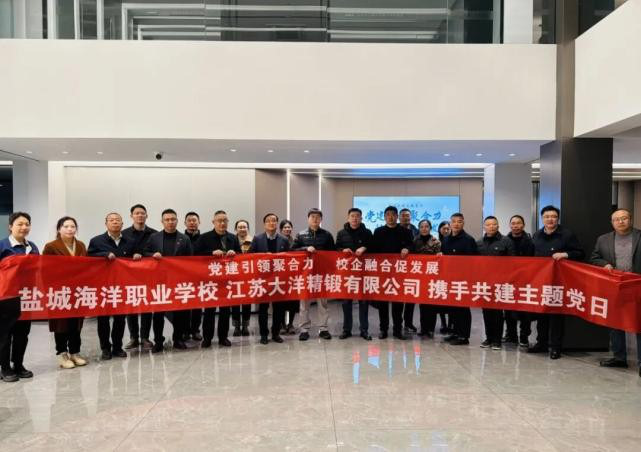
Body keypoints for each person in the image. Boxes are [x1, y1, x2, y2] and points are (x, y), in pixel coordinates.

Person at [528, 205, 584, 360]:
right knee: (541, 313)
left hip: (559, 282)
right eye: (547, 217)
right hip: (541, 281)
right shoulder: (537, 235)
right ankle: (541, 343)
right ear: (542, 218)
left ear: (558, 218)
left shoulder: (567, 234)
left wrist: (565, 254)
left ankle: (555, 347)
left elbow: (580, 253)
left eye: (553, 216)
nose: (550, 219)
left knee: (556, 316)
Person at [590, 208, 641, 377]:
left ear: (630, 220)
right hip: (615, 286)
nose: (621, 222)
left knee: (639, 323)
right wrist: (604, 264)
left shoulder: (639, 236)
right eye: (617, 219)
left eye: (624, 218)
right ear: (612, 222)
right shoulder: (603, 239)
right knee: (615, 322)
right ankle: (619, 357)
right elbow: (594, 258)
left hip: (637, 286)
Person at [88, 212, 140, 360]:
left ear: (122, 224)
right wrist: (104, 254)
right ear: (106, 223)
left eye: (118, 220)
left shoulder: (130, 241)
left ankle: (117, 347)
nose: (115, 222)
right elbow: (89, 257)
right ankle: (105, 348)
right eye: (111, 220)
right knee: (103, 319)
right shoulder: (96, 241)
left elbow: (137, 255)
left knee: (120, 319)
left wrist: (137, 255)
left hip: (122, 286)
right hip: (103, 286)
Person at [144, 209, 194, 353]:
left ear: (177, 221)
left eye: (173, 219)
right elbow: (144, 253)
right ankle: (158, 341)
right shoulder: (154, 237)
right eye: (167, 220)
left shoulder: (184, 238)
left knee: (179, 312)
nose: (170, 222)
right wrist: (152, 254)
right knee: (158, 313)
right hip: (159, 281)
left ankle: (178, 339)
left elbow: (191, 259)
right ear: (162, 221)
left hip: (178, 280)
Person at [43, 216, 88, 369]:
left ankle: (75, 352)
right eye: (66, 226)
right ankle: (62, 353)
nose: (69, 229)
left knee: (76, 323)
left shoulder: (81, 245)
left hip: (78, 291)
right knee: (61, 323)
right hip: (59, 291)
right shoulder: (51, 246)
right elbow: (46, 269)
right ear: (59, 229)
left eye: (72, 226)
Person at [0, 212, 39, 382]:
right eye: (20, 224)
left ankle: (18, 364)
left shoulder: (32, 247)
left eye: (27, 224)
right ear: (10, 226)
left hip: (26, 296)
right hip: (6, 298)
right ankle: (5, 368)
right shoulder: (2, 246)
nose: (24, 227)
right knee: (4, 334)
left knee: (22, 333)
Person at [194, 210, 241, 347]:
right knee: (209, 311)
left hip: (227, 280)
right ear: (213, 222)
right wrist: (211, 253)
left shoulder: (233, 238)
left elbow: (240, 256)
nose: (222, 223)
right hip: (210, 280)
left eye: (225, 221)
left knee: (225, 311)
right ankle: (207, 338)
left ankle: (223, 337)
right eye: (219, 221)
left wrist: (235, 253)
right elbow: (195, 255)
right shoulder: (204, 237)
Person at [371, 206, 413, 340]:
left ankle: (397, 330)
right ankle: (383, 329)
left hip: (399, 272)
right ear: (384, 217)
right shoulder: (378, 231)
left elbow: (411, 245)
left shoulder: (405, 231)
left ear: (397, 216)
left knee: (398, 303)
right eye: (388, 214)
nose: (390, 217)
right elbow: (373, 250)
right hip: (383, 272)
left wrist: (407, 248)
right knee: (382, 303)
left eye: (393, 214)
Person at [293, 208, 335, 341]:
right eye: (312, 217)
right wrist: (305, 249)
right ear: (308, 219)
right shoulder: (300, 235)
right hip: (305, 274)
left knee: (323, 304)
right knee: (304, 304)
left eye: (318, 217)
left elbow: (333, 254)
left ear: (321, 219)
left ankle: (323, 328)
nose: (315, 219)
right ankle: (304, 329)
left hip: (322, 274)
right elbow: (293, 250)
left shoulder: (327, 235)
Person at [249, 213, 290, 344]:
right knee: (263, 309)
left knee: (279, 309)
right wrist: (262, 256)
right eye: (268, 221)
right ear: (264, 224)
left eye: (274, 221)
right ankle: (264, 334)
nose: (271, 223)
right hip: (263, 279)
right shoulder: (257, 238)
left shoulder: (284, 239)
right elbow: (250, 256)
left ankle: (276, 333)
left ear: (277, 223)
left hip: (279, 279)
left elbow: (290, 258)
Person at [122, 204, 157, 351]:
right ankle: (133, 338)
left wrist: (145, 255)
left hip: (147, 276)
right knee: (130, 307)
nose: (140, 215)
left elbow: (156, 252)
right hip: (128, 276)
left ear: (147, 215)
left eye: (142, 213)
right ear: (131, 216)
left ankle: (145, 337)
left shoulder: (154, 234)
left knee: (146, 307)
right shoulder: (123, 234)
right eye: (137, 213)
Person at [477, 216, 515, 350]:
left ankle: (497, 340)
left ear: (498, 226)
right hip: (484, 283)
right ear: (484, 227)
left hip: (500, 282)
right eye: (488, 225)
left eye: (494, 224)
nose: (491, 227)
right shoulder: (479, 242)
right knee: (486, 311)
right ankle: (488, 338)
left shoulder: (506, 241)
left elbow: (513, 262)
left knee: (498, 312)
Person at [335, 208, 373, 341]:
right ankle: (347, 330)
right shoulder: (341, 233)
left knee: (364, 302)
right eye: (352, 216)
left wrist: (365, 248)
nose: (355, 218)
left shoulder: (367, 233)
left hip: (363, 273)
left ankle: (364, 330)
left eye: (357, 216)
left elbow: (373, 247)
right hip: (347, 273)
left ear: (361, 218)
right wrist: (342, 250)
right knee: (346, 303)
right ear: (348, 218)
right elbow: (336, 248)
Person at [441, 212, 478, 346]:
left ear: (463, 223)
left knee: (463, 308)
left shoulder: (468, 240)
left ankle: (464, 336)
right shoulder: (446, 240)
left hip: (463, 280)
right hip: (449, 279)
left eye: (459, 221)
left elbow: (473, 262)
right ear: (450, 223)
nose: (456, 224)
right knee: (453, 308)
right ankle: (455, 332)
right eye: (454, 221)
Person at [505, 214, 535, 347]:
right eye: (513, 223)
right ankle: (511, 335)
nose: (515, 226)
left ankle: (524, 336)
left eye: (518, 223)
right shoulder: (505, 240)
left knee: (524, 310)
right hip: (509, 280)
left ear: (523, 225)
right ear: (509, 225)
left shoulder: (530, 242)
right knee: (508, 309)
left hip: (526, 280)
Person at [413, 219, 441, 338]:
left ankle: (430, 329)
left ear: (430, 228)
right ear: (419, 228)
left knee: (431, 304)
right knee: (422, 304)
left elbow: (440, 258)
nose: (424, 229)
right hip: (420, 276)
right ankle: (423, 328)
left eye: (426, 226)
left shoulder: (436, 242)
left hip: (432, 276)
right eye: (422, 227)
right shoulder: (415, 241)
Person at [399, 208, 419, 333]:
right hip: (398, 268)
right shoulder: (396, 230)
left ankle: (408, 322)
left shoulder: (416, 230)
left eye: (408, 215)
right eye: (403, 215)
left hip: (412, 268)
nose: (406, 218)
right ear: (399, 217)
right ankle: (398, 323)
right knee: (399, 298)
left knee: (411, 298)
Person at [231, 219, 253, 336]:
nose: (242, 229)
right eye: (240, 227)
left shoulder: (253, 241)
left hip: (248, 276)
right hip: (234, 276)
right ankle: (236, 326)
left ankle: (245, 326)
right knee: (234, 303)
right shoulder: (231, 240)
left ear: (248, 229)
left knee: (246, 303)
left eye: (244, 227)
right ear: (236, 229)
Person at [184, 211, 202, 341]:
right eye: (189, 220)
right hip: (183, 276)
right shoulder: (180, 238)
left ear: (199, 222)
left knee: (197, 306)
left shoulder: (204, 238)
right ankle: (184, 331)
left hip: (199, 276)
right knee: (184, 305)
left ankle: (195, 330)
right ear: (185, 223)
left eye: (194, 220)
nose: (192, 223)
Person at [279, 219, 298, 334]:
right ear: (281, 229)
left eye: (289, 227)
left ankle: (290, 324)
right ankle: (281, 324)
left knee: (293, 302)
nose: (287, 229)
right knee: (280, 302)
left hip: (293, 276)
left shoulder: (295, 241)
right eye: (285, 227)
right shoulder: (277, 240)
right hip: (280, 276)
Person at [436, 220, 452, 334]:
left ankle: (451, 324)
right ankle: (443, 323)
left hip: (451, 276)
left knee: (450, 301)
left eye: (448, 229)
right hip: (439, 275)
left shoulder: (453, 241)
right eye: (443, 229)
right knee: (440, 300)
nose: (446, 231)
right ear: (439, 230)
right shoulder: (435, 242)